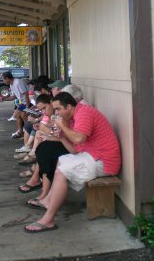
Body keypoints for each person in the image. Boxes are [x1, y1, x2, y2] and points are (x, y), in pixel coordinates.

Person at [24, 92, 121, 233]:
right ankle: (48, 200)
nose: (56, 113)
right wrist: (62, 136)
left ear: (68, 106)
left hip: (104, 161)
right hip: (92, 155)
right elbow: (75, 150)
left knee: (62, 171)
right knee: (62, 160)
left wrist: (62, 126)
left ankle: (48, 219)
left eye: (58, 109)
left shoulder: (84, 113)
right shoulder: (74, 116)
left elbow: (79, 139)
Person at [0, 71, 30, 139]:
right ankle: (21, 132)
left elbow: (26, 94)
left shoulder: (18, 82)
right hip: (22, 102)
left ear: (7, 78)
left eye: (3, 79)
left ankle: (28, 131)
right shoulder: (11, 84)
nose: (3, 81)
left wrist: (27, 106)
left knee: (23, 115)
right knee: (17, 115)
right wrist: (3, 99)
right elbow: (14, 97)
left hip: (28, 101)